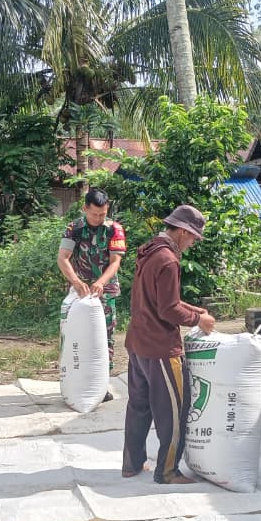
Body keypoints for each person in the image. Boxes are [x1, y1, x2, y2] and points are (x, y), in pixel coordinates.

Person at [122, 205, 216, 485]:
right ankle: (168, 471)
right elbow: (168, 310)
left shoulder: (149, 251)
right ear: (182, 231)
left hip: (137, 342)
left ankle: (131, 464)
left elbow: (158, 300)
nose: (193, 243)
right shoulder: (168, 260)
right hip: (160, 347)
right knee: (174, 410)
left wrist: (195, 310)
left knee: (138, 407)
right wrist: (198, 321)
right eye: (193, 237)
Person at [58, 189, 127, 372]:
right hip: (80, 291)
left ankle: (103, 378)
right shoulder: (75, 229)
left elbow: (115, 261)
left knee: (105, 334)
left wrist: (101, 282)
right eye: (94, 214)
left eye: (102, 214)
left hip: (105, 290)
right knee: (78, 334)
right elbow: (63, 258)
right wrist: (76, 282)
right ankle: (78, 376)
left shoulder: (115, 229)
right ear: (85, 208)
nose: (98, 218)